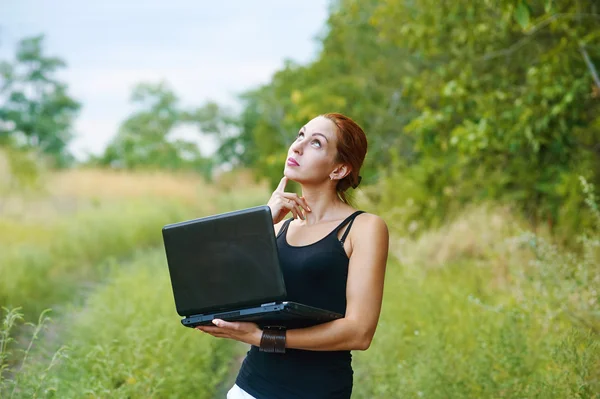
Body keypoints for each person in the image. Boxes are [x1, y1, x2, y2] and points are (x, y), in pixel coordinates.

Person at [196, 113, 389, 399]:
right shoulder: (277, 226)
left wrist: (262, 338)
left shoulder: (364, 227)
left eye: (316, 143)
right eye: (300, 135)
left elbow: (359, 332)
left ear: (339, 169)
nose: (297, 147)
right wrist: (261, 224)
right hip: (250, 387)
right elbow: (222, 295)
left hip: (318, 391)